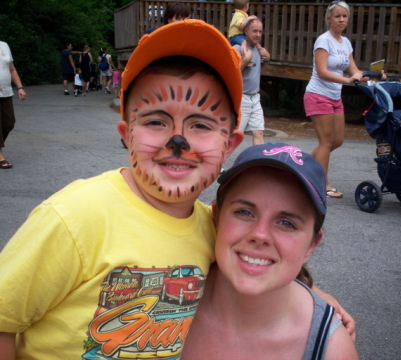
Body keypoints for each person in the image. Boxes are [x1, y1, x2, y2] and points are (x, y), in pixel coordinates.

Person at [0, 19, 244, 359]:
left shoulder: (214, 230)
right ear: (125, 133)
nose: (177, 142)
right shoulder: (75, 217)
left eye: (201, 125)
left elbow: (264, 277)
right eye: (156, 121)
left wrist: (320, 307)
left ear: (230, 144)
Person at [182, 143, 358, 360]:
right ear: (216, 217)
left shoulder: (332, 350)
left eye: (286, 223)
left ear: (312, 244)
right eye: (245, 212)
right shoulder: (158, 291)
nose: (261, 235)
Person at [303, 1, 385, 199]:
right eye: (337, 16)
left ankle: (305, 166)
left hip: (334, 96)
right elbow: (322, 72)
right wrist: (347, 80)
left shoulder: (345, 42)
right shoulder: (323, 41)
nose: (341, 20)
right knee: (326, 142)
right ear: (329, 19)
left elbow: (354, 71)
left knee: (337, 141)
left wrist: (373, 75)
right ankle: (322, 184)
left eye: (344, 16)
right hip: (317, 95)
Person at [234, 18, 271, 145]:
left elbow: (258, 73)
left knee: (258, 132)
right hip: (241, 98)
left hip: (255, 97)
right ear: (246, 31)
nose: (258, 35)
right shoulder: (238, 49)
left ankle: (258, 163)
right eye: (255, 31)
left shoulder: (258, 50)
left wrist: (266, 59)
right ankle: (220, 164)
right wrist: (245, 60)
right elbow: (232, 74)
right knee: (234, 135)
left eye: (260, 32)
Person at [0, 41, 26, 169]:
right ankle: (0, 156)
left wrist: (20, 87)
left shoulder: (4, 45)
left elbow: (12, 69)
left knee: (9, 123)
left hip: (5, 91)